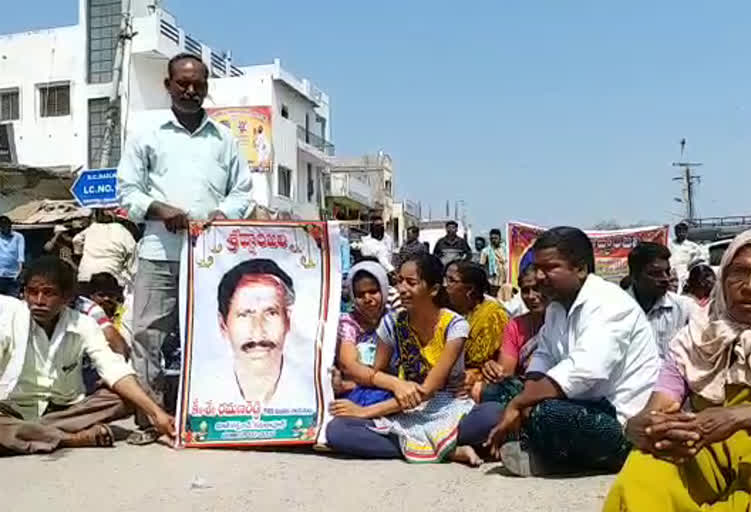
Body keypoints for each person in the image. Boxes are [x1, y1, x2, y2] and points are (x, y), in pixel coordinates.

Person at [117, 52, 252, 442]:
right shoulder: (147, 133)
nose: (191, 90)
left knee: (211, 334)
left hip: (211, 258)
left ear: (206, 88)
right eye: (183, 83)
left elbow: (241, 191)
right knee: (147, 336)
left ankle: (207, 413)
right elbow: (127, 191)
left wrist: (219, 215)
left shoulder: (224, 139)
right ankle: (150, 420)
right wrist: (159, 209)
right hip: (159, 253)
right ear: (168, 85)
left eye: (198, 85)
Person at [604, 227, 751, 511]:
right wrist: (639, 427)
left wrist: (740, 416)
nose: (750, 286)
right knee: (650, 461)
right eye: (738, 272)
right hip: (709, 452)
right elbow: (659, 409)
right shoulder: (695, 337)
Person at [486, 227, 660, 477]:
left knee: (549, 414)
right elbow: (543, 357)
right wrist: (524, 398)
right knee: (499, 390)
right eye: (537, 268)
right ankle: (540, 442)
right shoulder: (557, 306)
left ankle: (551, 458)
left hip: (618, 422)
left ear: (579, 268)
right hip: (575, 400)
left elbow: (585, 371)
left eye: (550, 268)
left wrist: (522, 403)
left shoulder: (609, 304)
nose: (540, 277)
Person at [326, 254, 503, 465]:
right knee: (337, 431)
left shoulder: (454, 326)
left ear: (433, 289)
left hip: (446, 408)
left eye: (411, 282)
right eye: (399, 281)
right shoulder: (391, 324)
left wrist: (364, 412)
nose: (401, 289)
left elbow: (427, 390)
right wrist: (391, 384)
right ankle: (447, 449)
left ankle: (419, 446)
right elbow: (377, 373)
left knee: (494, 414)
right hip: (403, 410)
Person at [0, 257, 175, 455]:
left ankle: (30, 433)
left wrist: (157, 413)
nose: (39, 301)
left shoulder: (84, 324)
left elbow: (113, 368)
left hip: (66, 410)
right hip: (12, 408)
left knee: (130, 392)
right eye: (32, 292)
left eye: (48, 293)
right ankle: (71, 438)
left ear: (67, 298)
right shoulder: (9, 318)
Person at [217, 259, 306, 406]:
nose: (258, 332)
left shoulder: (308, 386)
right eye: (245, 314)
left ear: (288, 320)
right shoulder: (207, 390)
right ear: (223, 325)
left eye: (271, 313)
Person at [478, 262, 550, 403]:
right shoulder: (516, 325)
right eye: (525, 290)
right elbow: (505, 373)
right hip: (522, 391)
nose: (531, 296)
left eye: (537, 288)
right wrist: (493, 370)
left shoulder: (564, 320)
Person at [332, 261, 394, 406]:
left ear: (383, 290)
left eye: (373, 291)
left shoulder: (395, 319)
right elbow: (349, 367)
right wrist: (393, 383)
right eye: (360, 294)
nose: (367, 299)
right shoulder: (348, 324)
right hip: (361, 393)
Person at [443, 261, 509, 391]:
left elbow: (488, 364)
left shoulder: (492, 315)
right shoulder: (444, 308)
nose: (445, 285)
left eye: (451, 280)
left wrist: (475, 374)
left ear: (469, 289)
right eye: (445, 278)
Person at [626, 242, 694, 356]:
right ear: (634, 276)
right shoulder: (614, 309)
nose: (665, 278)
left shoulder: (684, 308)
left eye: (667, 272)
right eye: (655, 273)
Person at [72, 209, 136, 287]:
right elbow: (132, 253)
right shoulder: (123, 231)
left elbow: (76, 240)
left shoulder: (92, 228)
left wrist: (79, 253)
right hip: (111, 278)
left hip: (85, 276)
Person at [74, 272, 130, 359]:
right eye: (101, 295)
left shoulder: (124, 313)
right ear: (92, 296)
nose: (106, 299)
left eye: (111, 295)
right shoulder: (85, 315)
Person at [669, 222, 707, 292]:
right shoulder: (670, 243)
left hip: (684, 271)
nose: (680, 233)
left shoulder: (692, 245)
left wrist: (691, 265)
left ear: (686, 232)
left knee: (681, 290)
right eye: (678, 231)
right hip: (671, 270)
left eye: (682, 231)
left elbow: (702, 258)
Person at [0, 216, 24, 297]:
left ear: (10, 225)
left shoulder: (18, 237)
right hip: (0, 276)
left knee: (12, 303)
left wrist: (19, 272)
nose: (4, 228)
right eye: (2, 226)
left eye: (6, 225)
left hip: (13, 276)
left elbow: (21, 256)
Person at [480, 228, 508, 296]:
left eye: (495, 238)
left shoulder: (506, 249)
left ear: (500, 238)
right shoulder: (485, 251)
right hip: (493, 282)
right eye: (492, 238)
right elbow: (482, 266)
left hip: (506, 281)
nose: (493, 240)